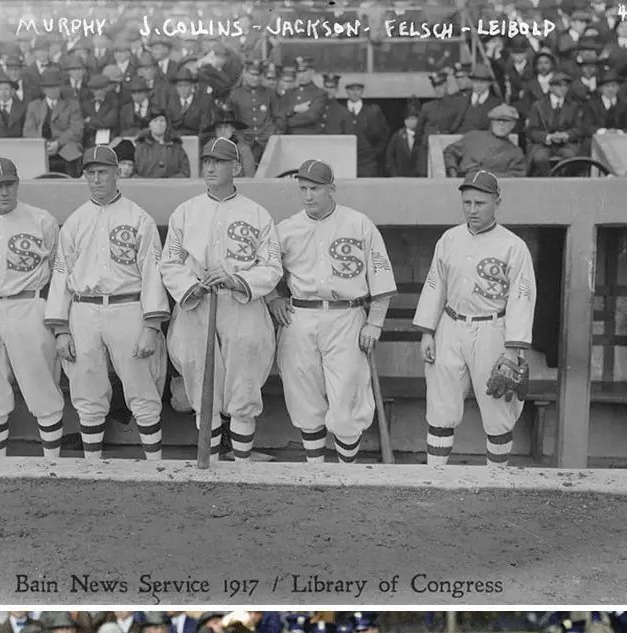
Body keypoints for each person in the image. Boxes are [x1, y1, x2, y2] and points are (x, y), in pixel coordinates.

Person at [160, 136, 282, 462]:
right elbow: (169, 262)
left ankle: (241, 468)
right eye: (208, 161)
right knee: (203, 389)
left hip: (241, 303)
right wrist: (191, 286)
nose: (211, 167)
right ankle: (210, 467)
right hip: (197, 304)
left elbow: (271, 267)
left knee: (243, 388)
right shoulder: (185, 212)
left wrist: (236, 280)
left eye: (220, 161)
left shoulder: (257, 214)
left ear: (237, 167)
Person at [46, 143, 169, 461]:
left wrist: (151, 325)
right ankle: (92, 468)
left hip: (127, 307)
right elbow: (61, 274)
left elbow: (153, 273)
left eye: (103, 172)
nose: (97, 179)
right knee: (86, 390)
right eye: (91, 173)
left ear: (117, 173)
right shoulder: (75, 221)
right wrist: (61, 328)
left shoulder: (138, 218)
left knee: (142, 388)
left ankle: (154, 467)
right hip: (84, 309)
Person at [269, 160, 396, 464]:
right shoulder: (286, 229)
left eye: (315, 188)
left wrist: (375, 323)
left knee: (347, 393)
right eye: (303, 189)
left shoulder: (359, 224)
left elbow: (380, 273)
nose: (308, 195)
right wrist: (273, 297)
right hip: (300, 315)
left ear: (332, 189)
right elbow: (265, 269)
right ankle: (315, 470)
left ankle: (345, 472)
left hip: (346, 315)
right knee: (303, 391)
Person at [415, 169, 536, 467]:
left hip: (492, 327)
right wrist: (427, 331)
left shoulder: (513, 246)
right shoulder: (449, 239)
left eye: (479, 203)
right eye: (467, 202)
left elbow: (522, 297)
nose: (472, 209)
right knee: (441, 404)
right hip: (450, 325)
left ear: (497, 201)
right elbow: (435, 285)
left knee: (498, 411)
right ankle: (436, 478)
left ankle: (496, 482)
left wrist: (512, 350)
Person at [0, 156, 65, 458]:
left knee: (42, 390)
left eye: (9, 184)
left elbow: (58, 269)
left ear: (18, 184)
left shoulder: (41, 220)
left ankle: (52, 467)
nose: (3, 192)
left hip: (28, 305)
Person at [23, 67, 84, 176]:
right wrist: (43, 144)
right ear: (43, 89)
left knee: (73, 152)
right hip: (40, 146)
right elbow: (28, 131)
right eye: (50, 87)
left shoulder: (72, 104)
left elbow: (77, 129)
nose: (54, 90)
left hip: (66, 145)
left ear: (60, 87)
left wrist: (58, 143)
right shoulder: (34, 106)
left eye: (56, 86)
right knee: (29, 156)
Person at [443, 103, 528, 178]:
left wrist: (486, 177)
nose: (501, 124)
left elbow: (515, 178)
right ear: (491, 122)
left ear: (513, 125)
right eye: (498, 120)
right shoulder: (473, 137)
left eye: (506, 121)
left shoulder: (516, 153)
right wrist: (452, 171)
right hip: (460, 184)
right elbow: (450, 152)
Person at [525, 69, 582, 174]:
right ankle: (549, 181)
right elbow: (530, 131)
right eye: (559, 85)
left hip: (566, 144)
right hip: (542, 144)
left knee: (571, 157)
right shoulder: (538, 106)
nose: (563, 88)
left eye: (565, 86)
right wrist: (548, 137)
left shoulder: (573, 106)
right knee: (540, 158)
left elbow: (579, 129)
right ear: (550, 87)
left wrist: (566, 135)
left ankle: (562, 182)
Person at [228, 58, 276, 164]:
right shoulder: (235, 94)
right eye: (252, 74)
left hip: (267, 141)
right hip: (245, 142)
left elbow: (278, 118)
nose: (255, 78)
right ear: (245, 74)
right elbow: (231, 121)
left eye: (257, 75)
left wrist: (273, 136)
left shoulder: (270, 93)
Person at [338, 80, 389, 176]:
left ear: (362, 91)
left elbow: (384, 134)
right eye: (352, 89)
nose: (355, 92)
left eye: (358, 89)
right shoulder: (340, 110)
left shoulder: (372, 111)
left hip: (368, 160)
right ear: (347, 91)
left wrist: (376, 153)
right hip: (345, 158)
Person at [132, 109, 190, 178]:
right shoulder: (140, 148)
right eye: (155, 121)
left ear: (166, 124)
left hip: (172, 187)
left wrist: (168, 183)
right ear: (149, 125)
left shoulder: (177, 147)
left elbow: (185, 172)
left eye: (162, 120)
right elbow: (133, 173)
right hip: (146, 187)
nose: (159, 124)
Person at [384, 100, 425, 177]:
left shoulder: (423, 137)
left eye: (414, 118)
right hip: (399, 178)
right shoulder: (397, 136)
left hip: (419, 179)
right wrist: (395, 175)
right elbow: (389, 157)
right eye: (409, 118)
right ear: (405, 120)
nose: (411, 121)